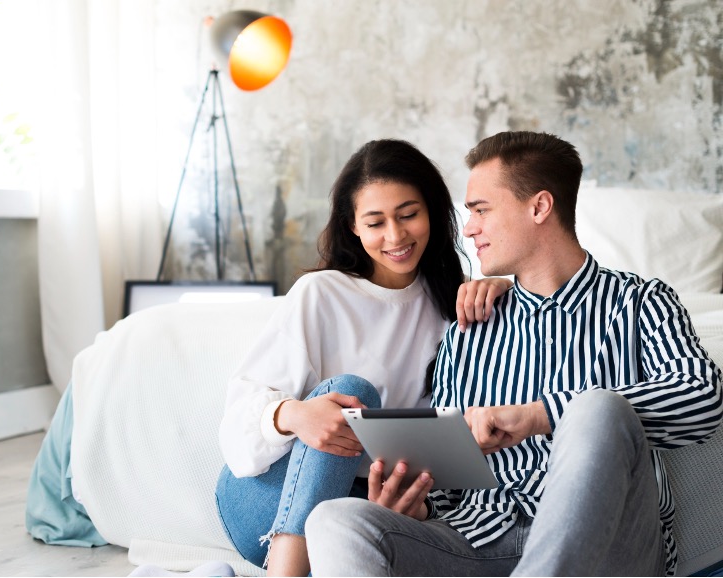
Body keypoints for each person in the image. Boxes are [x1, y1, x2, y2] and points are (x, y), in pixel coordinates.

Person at [305, 131, 723, 577]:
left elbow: (702, 398)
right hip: (481, 540)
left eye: (481, 210)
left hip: (610, 545)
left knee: (598, 408)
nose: (468, 228)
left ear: (539, 207)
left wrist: (539, 415)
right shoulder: (468, 328)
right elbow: (448, 474)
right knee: (336, 520)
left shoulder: (641, 301)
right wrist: (417, 503)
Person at [215, 138, 513, 577]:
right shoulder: (322, 294)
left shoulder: (459, 303)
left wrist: (508, 289)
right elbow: (238, 418)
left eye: (409, 215)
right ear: (353, 227)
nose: (396, 236)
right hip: (268, 496)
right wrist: (294, 415)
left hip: (363, 503)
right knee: (352, 394)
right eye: (376, 223)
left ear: (432, 211)